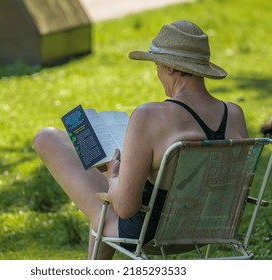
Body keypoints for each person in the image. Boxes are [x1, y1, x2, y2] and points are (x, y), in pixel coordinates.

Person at [33, 20, 249, 259]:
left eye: (156, 64)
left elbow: (125, 209)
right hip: (212, 228)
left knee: (48, 139)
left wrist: (113, 176)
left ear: (170, 68)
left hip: (150, 233)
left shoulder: (150, 116)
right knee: (101, 209)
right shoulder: (235, 114)